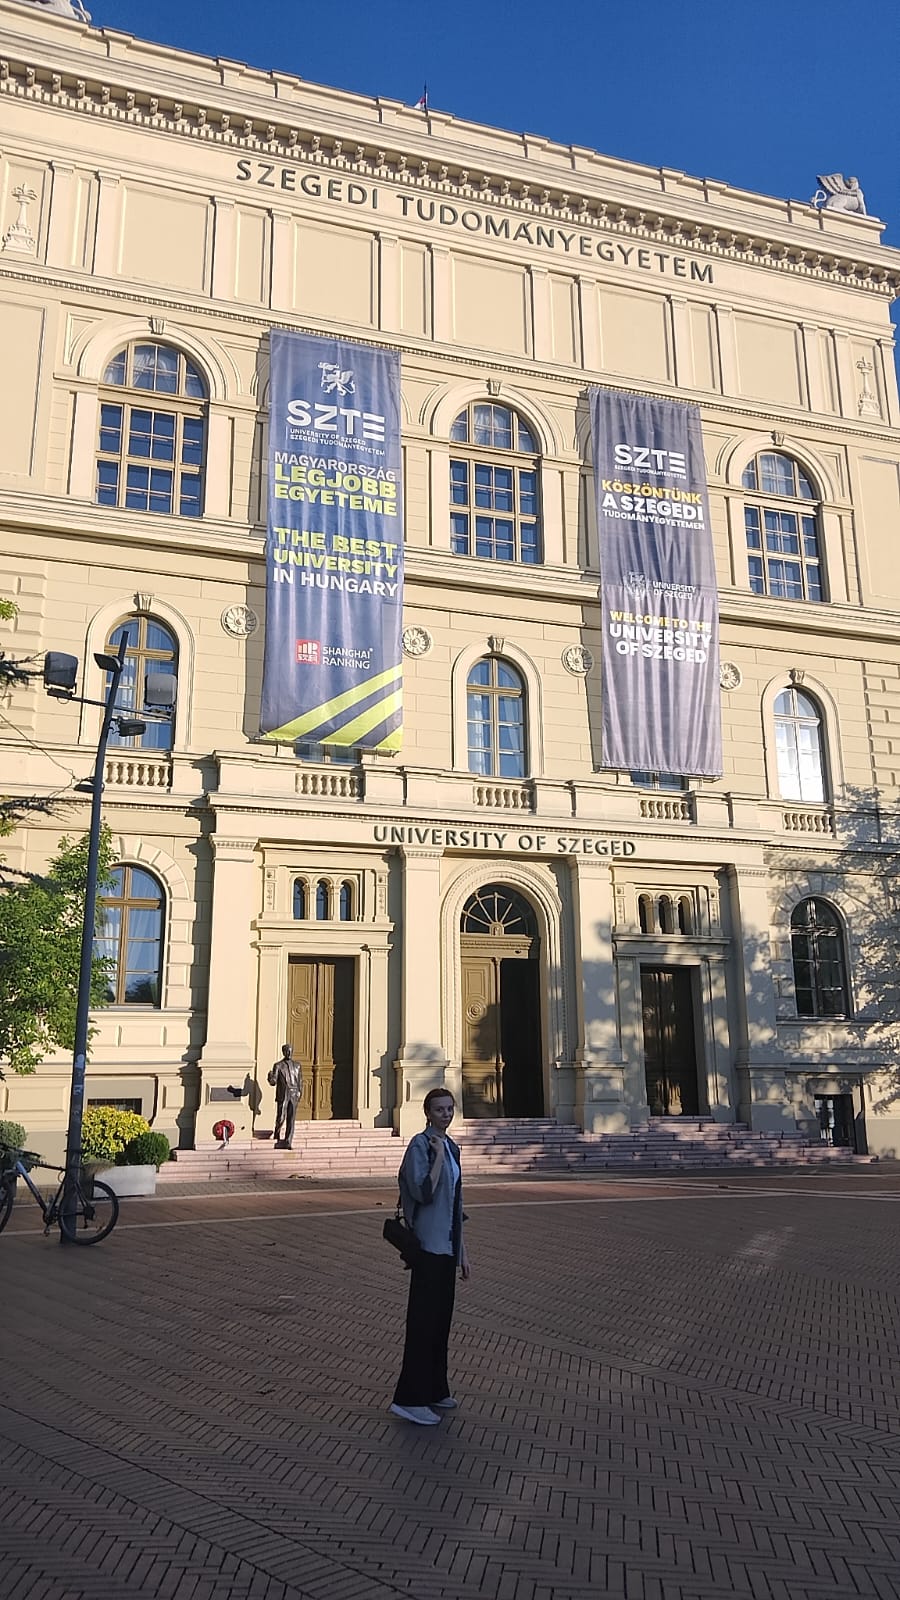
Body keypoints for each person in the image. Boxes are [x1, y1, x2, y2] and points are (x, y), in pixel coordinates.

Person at [390, 1087, 470, 1426]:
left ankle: (436, 1389)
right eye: (439, 1110)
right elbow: (423, 1192)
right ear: (427, 1113)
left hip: (447, 1248)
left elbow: (456, 1204)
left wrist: (462, 1251)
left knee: (440, 1323)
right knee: (422, 1325)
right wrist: (436, 1158)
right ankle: (409, 1399)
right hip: (427, 1248)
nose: (446, 1114)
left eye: (449, 1109)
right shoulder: (421, 1146)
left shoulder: (451, 1147)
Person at [267, 1043, 302, 1149]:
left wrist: (299, 1093)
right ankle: (277, 1132)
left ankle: (288, 1141)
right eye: (287, 1051)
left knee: (291, 1119)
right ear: (283, 1052)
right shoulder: (278, 1065)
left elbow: (300, 1081)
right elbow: (274, 1082)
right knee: (281, 1117)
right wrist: (270, 1077)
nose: (289, 1053)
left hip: (294, 1093)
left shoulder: (297, 1065)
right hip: (283, 1094)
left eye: (291, 1051)